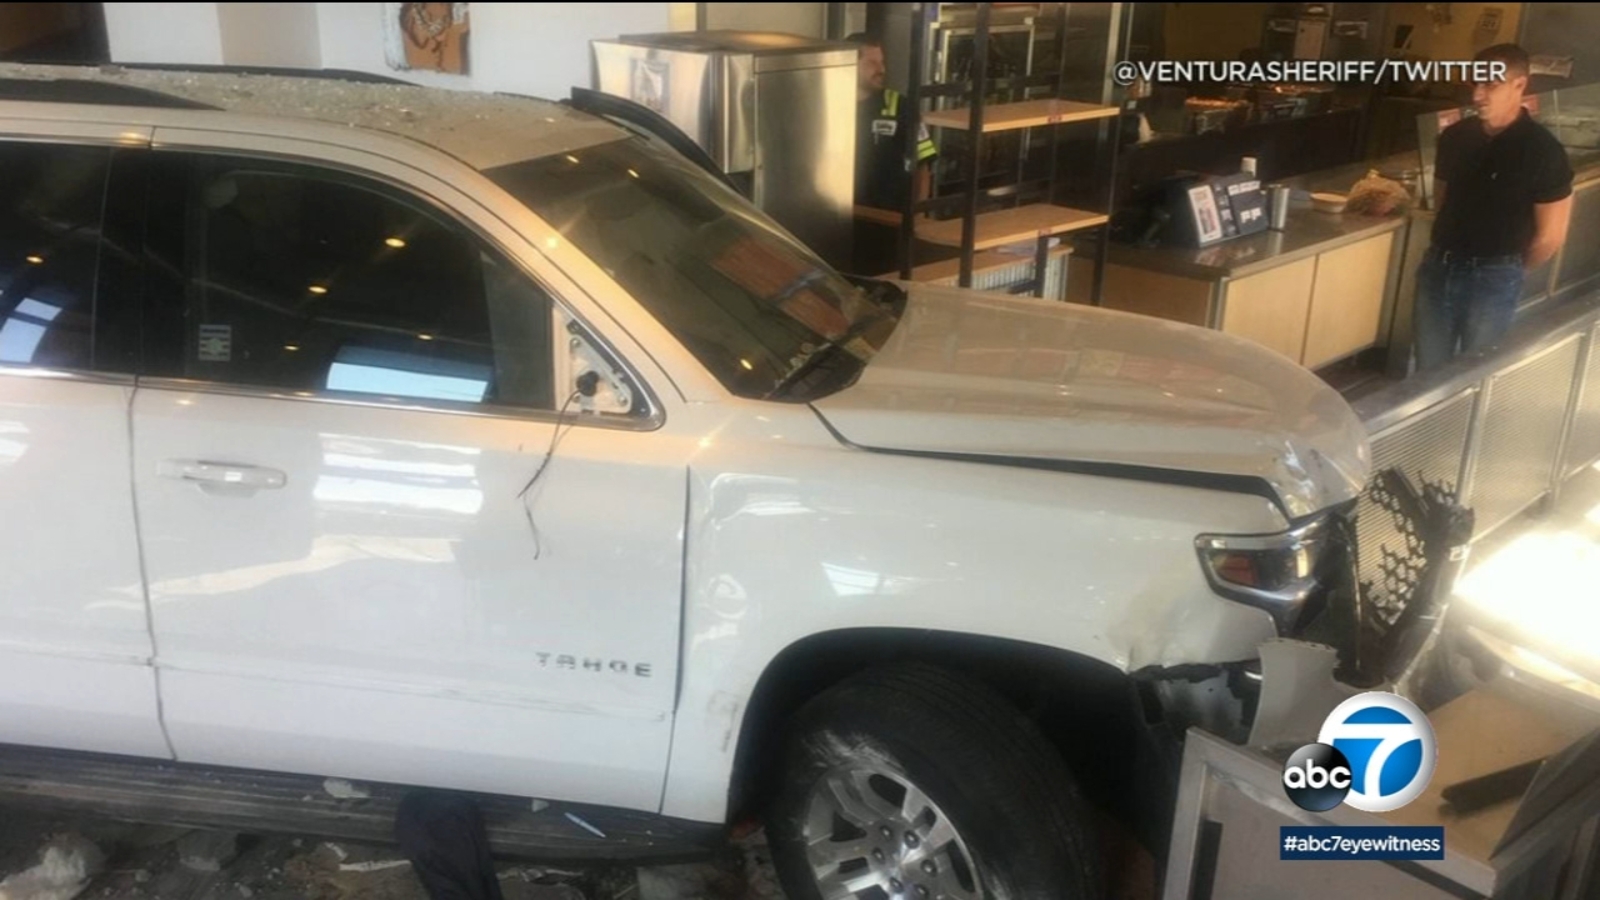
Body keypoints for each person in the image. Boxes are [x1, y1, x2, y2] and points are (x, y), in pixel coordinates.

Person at [1414, 43, 1574, 372]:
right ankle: (1435, 426)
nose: (1477, 96)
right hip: (1439, 267)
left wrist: (1507, 269)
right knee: (1428, 372)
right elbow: (1443, 200)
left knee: (1476, 372)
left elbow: (1551, 237)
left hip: (1494, 275)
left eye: (1491, 85)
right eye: (1475, 83)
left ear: (1520, 85)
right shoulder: (1455, 138)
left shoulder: (1544, 151)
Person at [848, 32, 937, 214]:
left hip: (890, 218)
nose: (881, 69)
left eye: (882, 62)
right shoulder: (830, 106)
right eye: (872, 63)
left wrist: (917, 215)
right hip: (841, 217)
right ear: (849, 64)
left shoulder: (901, 106)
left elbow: (923, 165)